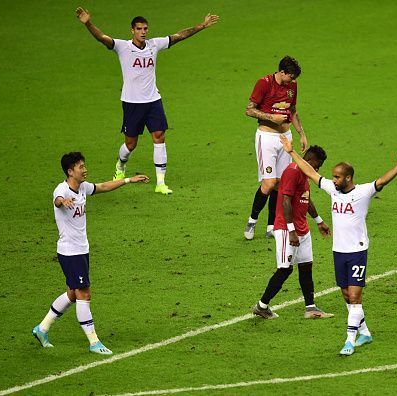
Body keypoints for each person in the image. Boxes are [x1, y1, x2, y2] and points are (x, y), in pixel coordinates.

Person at [280, 134, 397, 354]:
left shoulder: (363, 192)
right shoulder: (333, 190)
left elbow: (381, 181)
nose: (333, 180)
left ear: (348, 178)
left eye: (337, 177)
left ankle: (349, 340)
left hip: (357, 250)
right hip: (338, 250)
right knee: (345, 294)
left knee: (355, 296)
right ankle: (365, 333)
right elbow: (310, 171)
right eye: (333, 176)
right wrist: (291, 152)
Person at [75, 7, 219, 194]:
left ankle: (160, 183)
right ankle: (120, 166)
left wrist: (202, 25)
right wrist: (88, 23)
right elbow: (102, 38)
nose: (143, 32)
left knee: (159, 137)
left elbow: (178, 36)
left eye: (145, 29)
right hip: (132, 102)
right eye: (139, 29)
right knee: (130, 144)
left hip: (153, 100)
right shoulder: (122, 47)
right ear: (132, 30)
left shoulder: (154, 45)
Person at [32, 152, 149, 355]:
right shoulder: (61, 189)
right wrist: (63, 202)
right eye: (80, 167)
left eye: (84, 166)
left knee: (72, 293)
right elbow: (57, 200)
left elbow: (103, 187)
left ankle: (42, 329)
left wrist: (128, 179)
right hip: (70, 252)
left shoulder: (83, 187)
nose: (85, 170)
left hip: (81, 249)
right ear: (70, 171)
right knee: (84, 293)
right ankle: (94, 342)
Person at [251, 145, 334, 320]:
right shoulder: (292, 172)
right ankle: (262, 306)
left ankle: (310, 308)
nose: (317, 170)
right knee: (285, 269)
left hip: (302, 228)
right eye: (316, 166)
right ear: (309, 160)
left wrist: (319, 221)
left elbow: (305, 198)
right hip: (286, 229)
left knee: (306, 266)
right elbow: (285, 201)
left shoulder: (304, 173)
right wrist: (291, 231)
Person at [243, 56, 309, 240]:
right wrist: (272, 118)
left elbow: (293, 110)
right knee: (269, 183)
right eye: (291, 77)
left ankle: (271, 225)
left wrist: (301, 133)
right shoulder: (264, 83)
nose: (293, 81)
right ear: (282, 72)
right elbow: (249, 110)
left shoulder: (292, 86)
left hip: (285, 138)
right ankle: (252, 221)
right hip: (267, 138)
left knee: (280, 184)